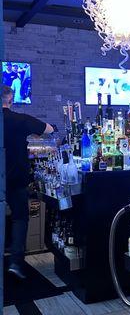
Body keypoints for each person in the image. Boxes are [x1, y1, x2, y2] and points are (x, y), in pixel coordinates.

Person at [2, 85, 54, 279]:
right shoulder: (20, 119)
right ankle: (15, 262)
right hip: (16, 179)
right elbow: (48, 129)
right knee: (19, 218)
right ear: (10, 99)